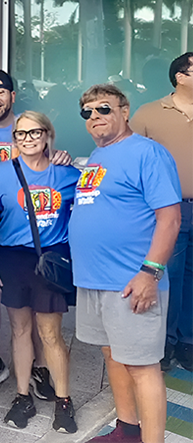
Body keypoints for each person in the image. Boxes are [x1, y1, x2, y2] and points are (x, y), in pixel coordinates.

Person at [71, 84, 181, 443]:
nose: (95, 117)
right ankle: (127, 429)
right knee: (113, 356)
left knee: (142, 366)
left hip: (132, 281)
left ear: (124, 110)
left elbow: (170, 218)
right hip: (94, 280)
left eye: (103, 109)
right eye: (87, 112)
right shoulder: (98, 156)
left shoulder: (147, 153)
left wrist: (150, 272)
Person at [0, 70, 66, 397]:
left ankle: (39, 368)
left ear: (12, 96)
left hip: (35, 238)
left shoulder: (57, 165)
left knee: (39, 313)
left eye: (1, 91)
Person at [0, 111, 80, 433]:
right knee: (19, 330)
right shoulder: (1, 173)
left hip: (50, 258)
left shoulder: (66, 174)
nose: (28, 139)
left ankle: (63, 400)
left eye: (35, 133)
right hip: (12, 258)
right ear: (14, 139)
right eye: (21, 134)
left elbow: (82, 216)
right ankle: (22, 395)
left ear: (47, 135)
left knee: (50, 333)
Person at [130, 52, 193, 371]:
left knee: (192, 278)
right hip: (169, 209)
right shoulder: (149, 113)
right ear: (181, 77)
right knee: (171, 276)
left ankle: (188, 342)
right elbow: (128, 156)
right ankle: (165, 342)